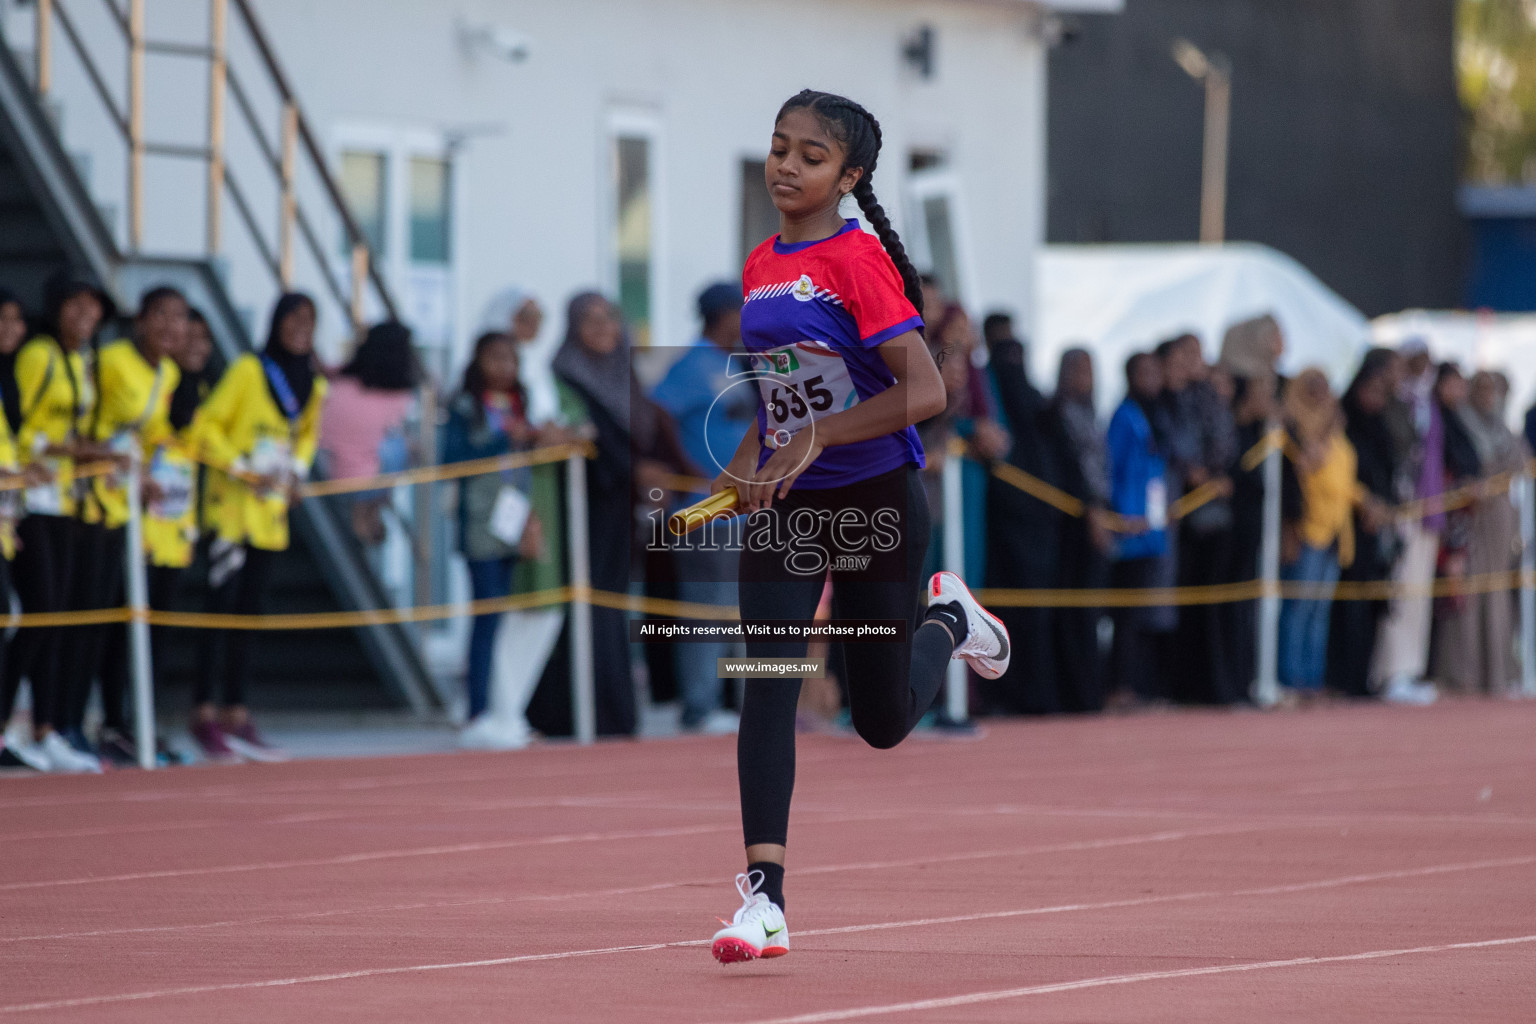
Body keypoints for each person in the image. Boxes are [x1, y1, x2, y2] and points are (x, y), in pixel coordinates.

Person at [705, 91, 1009, 964]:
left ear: (850, 176)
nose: (786, 166)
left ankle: (950, 621)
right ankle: (765, 902)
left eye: (809, 155)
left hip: (875, 497)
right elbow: (785, 389)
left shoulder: (858, 260)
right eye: (777, 148)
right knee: (768, 679)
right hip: (790, 506)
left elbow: (925, 393)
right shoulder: (760, 262)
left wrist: (814, 437)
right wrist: (760, 457)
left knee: (880, 722)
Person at [191, 292, 326, 762]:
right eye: (292, 318)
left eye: (309, 320)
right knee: (219, 612)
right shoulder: (250, 370)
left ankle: (236, 710)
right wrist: (241, 466)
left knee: (249, 615)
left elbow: (307, 436)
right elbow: (205, 426)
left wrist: (298, 471)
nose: (300, 328)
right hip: (231, 511)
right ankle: (203, 712)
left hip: (269, 516)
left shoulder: (314, 382)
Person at [551, 291, 690, 737]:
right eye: (589, 320)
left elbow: (644, 438)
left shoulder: (622, 376)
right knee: (586, 605)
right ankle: (574, 712)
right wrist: (637, 471)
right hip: (580, 509)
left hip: (619, 510)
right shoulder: (564, 376)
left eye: (609, 317)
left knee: (612, 605)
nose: (601, 327)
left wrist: (653, 474)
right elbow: (590, 447)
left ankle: (612, 713)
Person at [61, 285, 188, 765]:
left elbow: (152, 437)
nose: (171, 328)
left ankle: (114, 724)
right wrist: (110, 462)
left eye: (179, 318)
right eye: (161, 316)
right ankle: (66, 721)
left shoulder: (169, 372)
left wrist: (152, 478)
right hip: (90, 500)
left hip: (127, 509)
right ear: (140, 320)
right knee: (85, 617)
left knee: (119, 621)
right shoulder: (112, 360)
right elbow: (85, 425)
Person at [2, 272, 116, 772]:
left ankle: (47, 727)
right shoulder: (37, 356)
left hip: (63, 496)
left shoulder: (83, 360)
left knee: (59, 615)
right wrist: (73, 450)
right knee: (41, 610)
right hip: (28, 497)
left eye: (93, 309)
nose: (85, 318)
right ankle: (10, 721)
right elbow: (25, 429)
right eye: (76, 306)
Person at [651, 281, 752, 733]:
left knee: (742, 608)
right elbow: (659, 412)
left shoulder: (740, 362)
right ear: (723, 314)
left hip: (746, 506)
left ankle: (741, 702)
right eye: (740, 311)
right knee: (706, 608)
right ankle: (699, 705)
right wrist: (685, 463)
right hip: (703, 506)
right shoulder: (692, 363)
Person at [442, 331, 546, 747]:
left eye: (511, 358)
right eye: (495, 358)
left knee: (501, 616)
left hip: (512, 518)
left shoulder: (521, 402)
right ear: (478, 361)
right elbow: (452, 457)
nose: (504, 367)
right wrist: (506, 437)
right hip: (479, 521)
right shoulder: (466, 405)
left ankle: (498, 707)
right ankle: (475, 711)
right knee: (485, 615)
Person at [981, 313, 1063, 715]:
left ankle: (1037, 693)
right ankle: (1005, 693)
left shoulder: (1033, 399)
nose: (1012, 359)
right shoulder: (990, 390)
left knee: (1039, 614)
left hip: (1039, 522)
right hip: (1006, 521)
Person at [1277, 369, 1370, 705]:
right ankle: (1289, 679)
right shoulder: (1296, 430)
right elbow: (1303, 471)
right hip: (1309, 529)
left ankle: (1311, 679)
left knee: (1319, 611)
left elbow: (1343, 481)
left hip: (1335, 532)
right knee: (1298, 608)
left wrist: (1366, 499)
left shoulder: (1337, 437)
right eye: (1313, 388)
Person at [1436, 369, 1524, 693]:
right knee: (1467, 591)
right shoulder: (1460, 423)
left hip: (1501, 520)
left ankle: (1498, 673)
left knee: (1496, 594)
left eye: (1493, 389)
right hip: (1469, 518)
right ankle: (1464, 674)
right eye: (1482, 388)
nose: (1488, 395)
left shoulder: (1505, 430)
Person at [1370, 339, 1442, 705]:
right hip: (1401, 507)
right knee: (1399, 590)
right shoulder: (1396, 404)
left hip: (1427, 509)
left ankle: (1411, 668)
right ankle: (1390, 670)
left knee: (1418, 595)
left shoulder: (1427, 403)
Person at [1328, 349, 1403, 698]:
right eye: (1369, 390)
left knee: (1374, 604)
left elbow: (1388, 472)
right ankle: (1343, 677)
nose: (1374, 398)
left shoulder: (1381, 426)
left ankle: (1364, 677)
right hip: (1351, 526)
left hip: (1379, 529)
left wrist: (1386, 507)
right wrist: (1367, 504)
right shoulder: (1346, 425)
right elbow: (1343, 474)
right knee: (1349, 606)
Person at [1047, 347, 1112, 712]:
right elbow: (1075, 469)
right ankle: (1078, 694)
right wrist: (1091, 510)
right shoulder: (1058, 414)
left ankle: (1090, 690)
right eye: (1077, 368)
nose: (1085, 376)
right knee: (1076, 612)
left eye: (1090, 368)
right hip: (1074, 522)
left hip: (1099, 516)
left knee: (1094, 612)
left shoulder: (1091, 412)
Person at [1105, 352, 1172, 705]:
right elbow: (1112, 469)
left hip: (1151, 532)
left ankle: (1137, 684)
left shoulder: (1154, 415)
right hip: (1129, 531)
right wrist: (1122, 515)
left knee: (1144, 614)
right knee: (1126, 615)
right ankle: (1119, 687)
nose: (1152, 378)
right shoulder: (1124, 416)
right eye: (1144, 372)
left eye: (1155, 371)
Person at [318, 320, 420, 545]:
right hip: (365, 483)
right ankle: (368, 514)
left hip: (325, 472)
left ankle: (365, 515)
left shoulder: (338, 385)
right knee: (402, 446)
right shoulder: (399, 398)